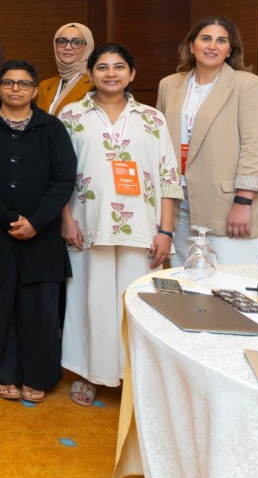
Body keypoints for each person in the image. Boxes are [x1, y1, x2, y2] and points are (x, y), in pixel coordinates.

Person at [59, 44, 182, 407]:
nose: (110, 73)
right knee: (90, 301)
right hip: (87, 223)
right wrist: (66, 219)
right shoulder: (71, 114)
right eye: (102, 67)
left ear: (132, 73)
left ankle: (135, 377)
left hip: (143, 227)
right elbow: (60, 174)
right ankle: (90, 373)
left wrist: (166, 230)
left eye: (118, 67)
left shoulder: (151, 118)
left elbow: (168, 176)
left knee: (137, 304)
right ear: (91, 74)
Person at [0, 60, 75, 403]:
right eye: (8, 83)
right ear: (0, 88)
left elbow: (63, 178)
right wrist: (8, 217)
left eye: (23, 84)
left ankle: (38, 374)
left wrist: (36, 221)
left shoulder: (52, 128)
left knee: (39, 308)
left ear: (34, 90)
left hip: (41, 235)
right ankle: (3, 372)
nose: (15, 89)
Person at [156, 16, 258, 265]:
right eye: (206, 38)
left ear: (230, 49)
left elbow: (257, 148)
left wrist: (244, 202)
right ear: (191, 45)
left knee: (232, 286)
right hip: (178, 203)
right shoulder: (169, 85)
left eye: (221, 41)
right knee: (187, 284)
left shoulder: (249, 86)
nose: (212, 46)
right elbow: (160, 145)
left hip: (227, 203)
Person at [35, 23, 95, 117]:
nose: (68, 47)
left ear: (87, 47)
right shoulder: (44, 85)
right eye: (62, 41)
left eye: (77, 43)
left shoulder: (95, 85)